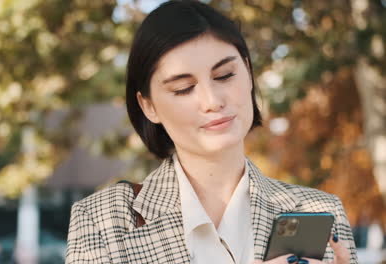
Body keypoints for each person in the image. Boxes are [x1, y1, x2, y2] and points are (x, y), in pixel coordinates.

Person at [65, 1, 358, 263]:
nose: (212, 101)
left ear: (248, 72)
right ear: (148, 105)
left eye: (225, 76)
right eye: (183, 89)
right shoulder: (102, 219)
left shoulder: (317, 210)